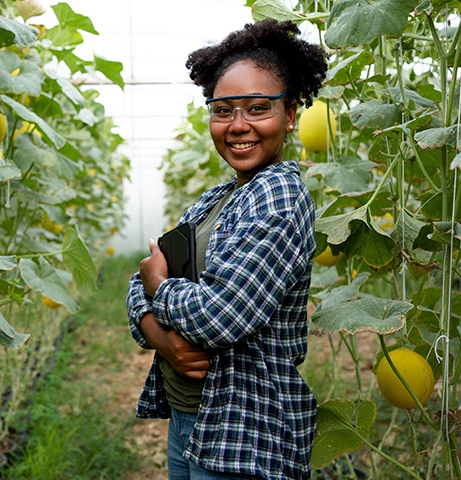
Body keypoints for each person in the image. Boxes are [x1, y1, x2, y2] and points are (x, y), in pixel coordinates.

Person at [127, 19, 328, 480]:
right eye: (223, 111)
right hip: (194, 423)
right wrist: (161, 336)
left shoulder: (278, 196)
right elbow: (139, 278)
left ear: (290, 114)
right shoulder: (214, 200)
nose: (238, 126)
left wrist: (159, 286)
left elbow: (222, 316)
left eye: (258, 109)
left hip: (246, 435)